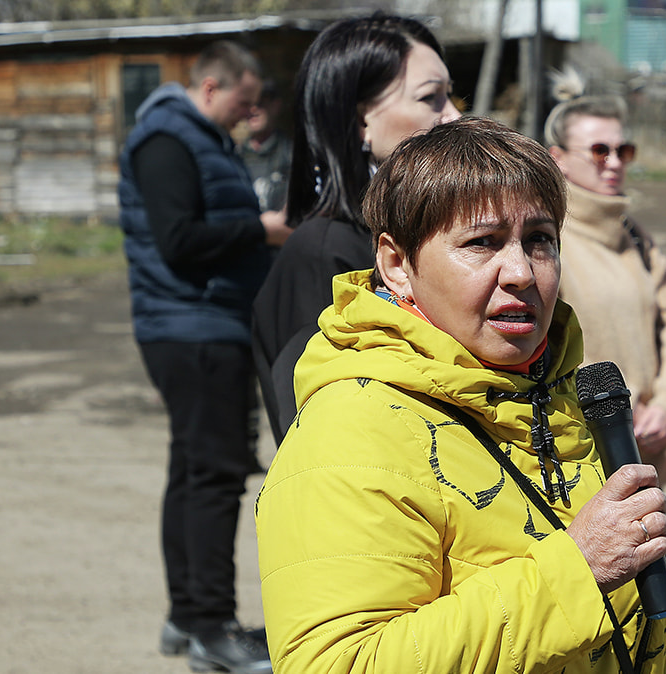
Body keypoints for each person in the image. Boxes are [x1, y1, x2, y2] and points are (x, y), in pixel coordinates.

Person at [254, 116, 666, 673]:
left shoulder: (566, 403)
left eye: (540, 241)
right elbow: (342, 665)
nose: (521, 272)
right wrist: (577, 570)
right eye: (482, 243)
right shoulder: (351, 431)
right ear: (396, 265)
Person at [117, 39, 290, 673]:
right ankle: (213, 628)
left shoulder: (198, 138)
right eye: (243, 103)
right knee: (216, 474)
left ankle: (186, 615)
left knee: (192, 471)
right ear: (212, 89)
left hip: (201, 323)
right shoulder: (169, 140)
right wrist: (263, 231)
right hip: (193, 328)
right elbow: (180, 239)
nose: (249, 117)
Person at [251, 13, 460, 445]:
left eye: (451, 96)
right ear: (361, 120)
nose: (454, 115)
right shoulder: (322, 252)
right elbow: (317, 430)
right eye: (431, 98)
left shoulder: (418, 235)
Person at [544, 69, 666, 485]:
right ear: (557, 157)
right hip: (575, 452)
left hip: (647, 445)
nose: (614, 162)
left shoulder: (635, 235)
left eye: (623, 150)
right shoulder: (543, 238)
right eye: (599, 150)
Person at [239, 78, 292, 212]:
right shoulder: (234, 157)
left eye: (261, 103)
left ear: (276, 106)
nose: (254, 110)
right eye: (248, 104)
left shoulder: (292, 154)